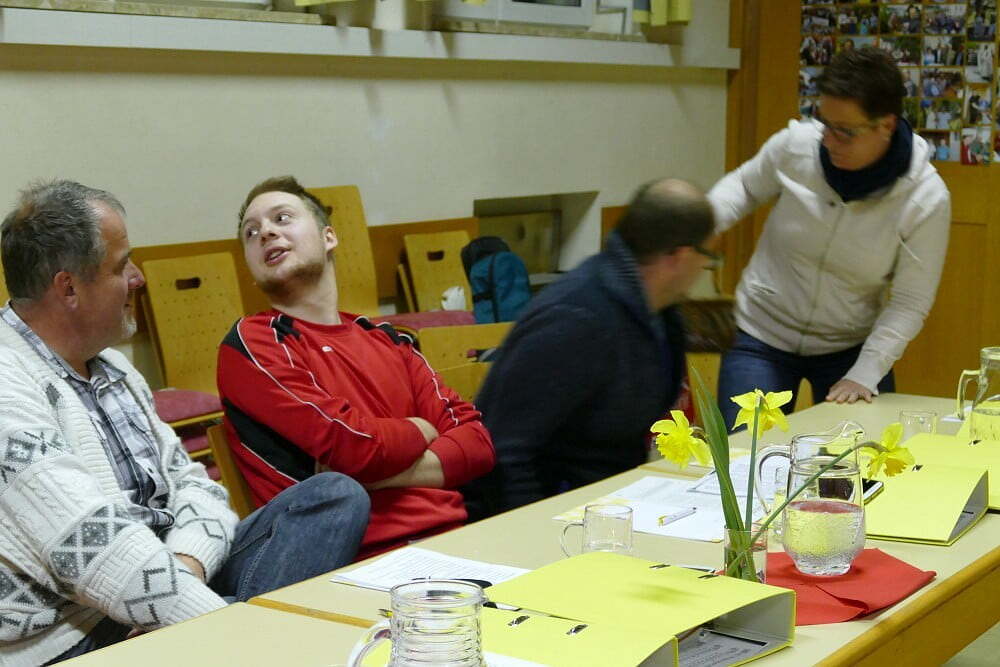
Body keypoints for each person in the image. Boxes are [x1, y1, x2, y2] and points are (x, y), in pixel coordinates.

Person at [0, 181, 369, 665]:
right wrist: (240, 636)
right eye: (122, 266)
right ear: (68, 287)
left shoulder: (114, 367)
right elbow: (95, 552)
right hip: (79, 631)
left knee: (335, 497)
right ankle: (238, 634)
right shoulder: (8, 381)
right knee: (253, 632)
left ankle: (212, 633)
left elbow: (196, 486)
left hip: (166, 582)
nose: (138, 278)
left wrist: (186, 566)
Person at [217, 176, 494, 560]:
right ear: (251, 268)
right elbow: (352, 448)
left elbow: (478, 444)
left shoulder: (389, 339)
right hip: (345, 560)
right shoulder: (254, 342)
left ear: (328, 237)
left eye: (282, 218)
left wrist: (377, 473)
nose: (265, 232)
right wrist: (422, 428)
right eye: (251, 232)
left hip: (452, 541)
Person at [708, 47, 951, 431]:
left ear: (886, 125)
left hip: (851, 348)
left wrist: (866, 373)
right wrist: (705, 223)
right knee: (744, 453)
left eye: (845, 132)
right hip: (762, 333)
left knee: (858, 458)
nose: (829, 141)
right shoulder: (796, 147)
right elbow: (744, 186)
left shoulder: (925, 197)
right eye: (825, 123)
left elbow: (910, 301)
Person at [470, 179, 716, 515]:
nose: (705, 268)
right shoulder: (576, 317)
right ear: (680, 255)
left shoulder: (657, 310)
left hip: (608, 506)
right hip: (546, 514)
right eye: (707, 256)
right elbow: (504, 451)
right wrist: (539, 532)